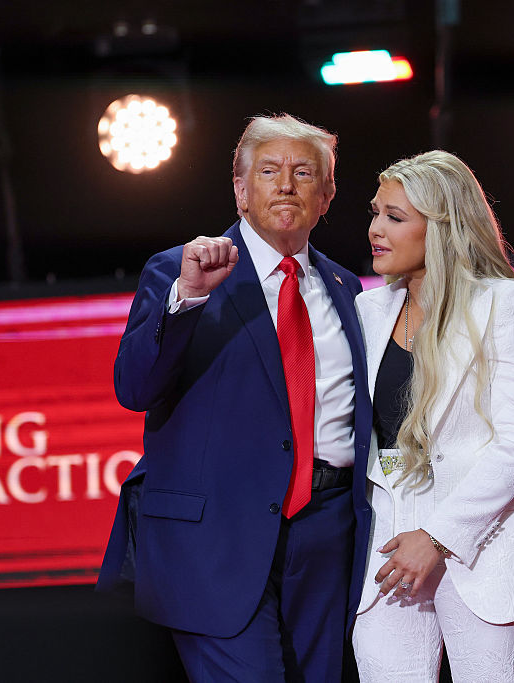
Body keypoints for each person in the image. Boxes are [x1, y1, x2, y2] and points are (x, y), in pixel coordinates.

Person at [97, 114, 373, 682]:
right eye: (269, 171)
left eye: (303, 173)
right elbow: (135, 388)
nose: (286, 184)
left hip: (327, 536)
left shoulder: (348, 287)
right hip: (215, 538)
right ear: (241, 191)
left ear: (327, 196)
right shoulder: (181, 271)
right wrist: (188, 299)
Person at [351, 150, 514, 682]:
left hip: (479, 545)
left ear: (442, 227)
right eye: (375, 213)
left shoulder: (504, 303)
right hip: (385, 548)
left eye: (394, 217)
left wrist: (438, 536)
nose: (376, 229)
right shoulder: (367, 310)